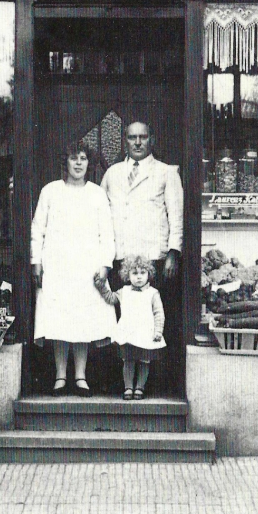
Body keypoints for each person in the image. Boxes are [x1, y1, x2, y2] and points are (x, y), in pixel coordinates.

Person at [100, 120, 183, 391]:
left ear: (151, 140)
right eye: (132, 137)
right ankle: (121, 383)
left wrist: (173, 252)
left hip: (152, 259)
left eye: (143, 137)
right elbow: (100, 215)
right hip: (120, 259)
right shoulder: (112, 173)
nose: (137, 142)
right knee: (123, 322)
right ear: (125, 140)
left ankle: (153, 384)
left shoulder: (166, 172)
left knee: (153, 320)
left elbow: (176, 214)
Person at [30, 141, 117, 397]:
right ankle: (60, 375)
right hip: (57, 265)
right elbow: (37, 229)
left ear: (89, 164)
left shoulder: (97, 194)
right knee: (59, 319)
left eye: (83, 158)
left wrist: (104, 265)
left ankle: (80, 375)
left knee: (82, 321)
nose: (78, 163)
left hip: (87, 267)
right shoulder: (50, 191)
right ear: (65, 163)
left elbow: (107, 234)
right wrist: (36, 262)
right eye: (73, 158)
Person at [100, 254, 165, 400]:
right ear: (128, 275)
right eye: (135, 273)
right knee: (128, 360)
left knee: (144, 361)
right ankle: (128, 387)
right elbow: (111, 298)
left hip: (145, 332)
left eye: (143, 273)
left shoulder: (153, 293)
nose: (139, 277)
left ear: (149, 274)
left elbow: (158, 313)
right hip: (128, 333)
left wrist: (158, 331)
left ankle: (140, 388)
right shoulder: (124, 292)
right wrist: (102, 286)